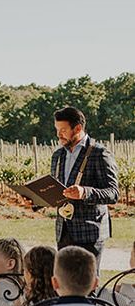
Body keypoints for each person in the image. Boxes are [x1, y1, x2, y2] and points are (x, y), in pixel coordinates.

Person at [50, 106, 118, 274]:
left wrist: (85, 192)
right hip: (63, 231)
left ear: (78, 128)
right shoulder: (58, 155)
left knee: (88, 287)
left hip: (90, 233)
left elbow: (113, 193)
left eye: (63, 130)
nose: (59, 134)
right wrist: (35, 200)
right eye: (57, 130)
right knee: (65, 285)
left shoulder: (99, 153)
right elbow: (57, 191)